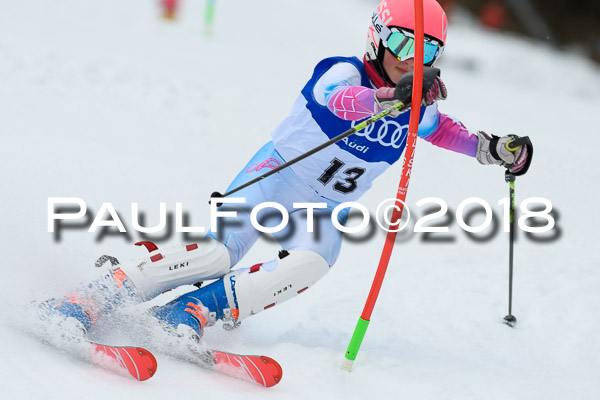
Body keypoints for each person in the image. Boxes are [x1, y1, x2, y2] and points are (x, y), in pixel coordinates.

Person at [41, 0, 532, 341]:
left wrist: (495, 149)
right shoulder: (346, 73)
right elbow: (335, 100)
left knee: (317, 258)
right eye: (404, 46)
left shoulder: (417, 106)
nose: (412, 62)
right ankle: (100, 291)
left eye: (426, 53)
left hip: (319, 209)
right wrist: (386, 98)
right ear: (378, 39)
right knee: (217, 254)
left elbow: (445, 132)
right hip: (274, 178)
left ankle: (191, 311)